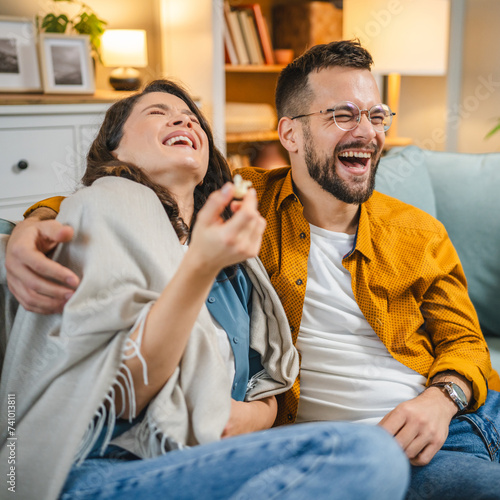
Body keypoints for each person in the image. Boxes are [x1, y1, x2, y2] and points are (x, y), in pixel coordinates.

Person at [9, 40, 500, 498]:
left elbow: (466, 343)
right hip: (355, 448)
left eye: (376, 115)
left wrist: (442, 399)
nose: (367, 131)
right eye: (343, 115)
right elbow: (120, 190)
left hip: (453, 419)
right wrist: (30, 228)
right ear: (290, 132)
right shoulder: (241, 203)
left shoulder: (418, 231)